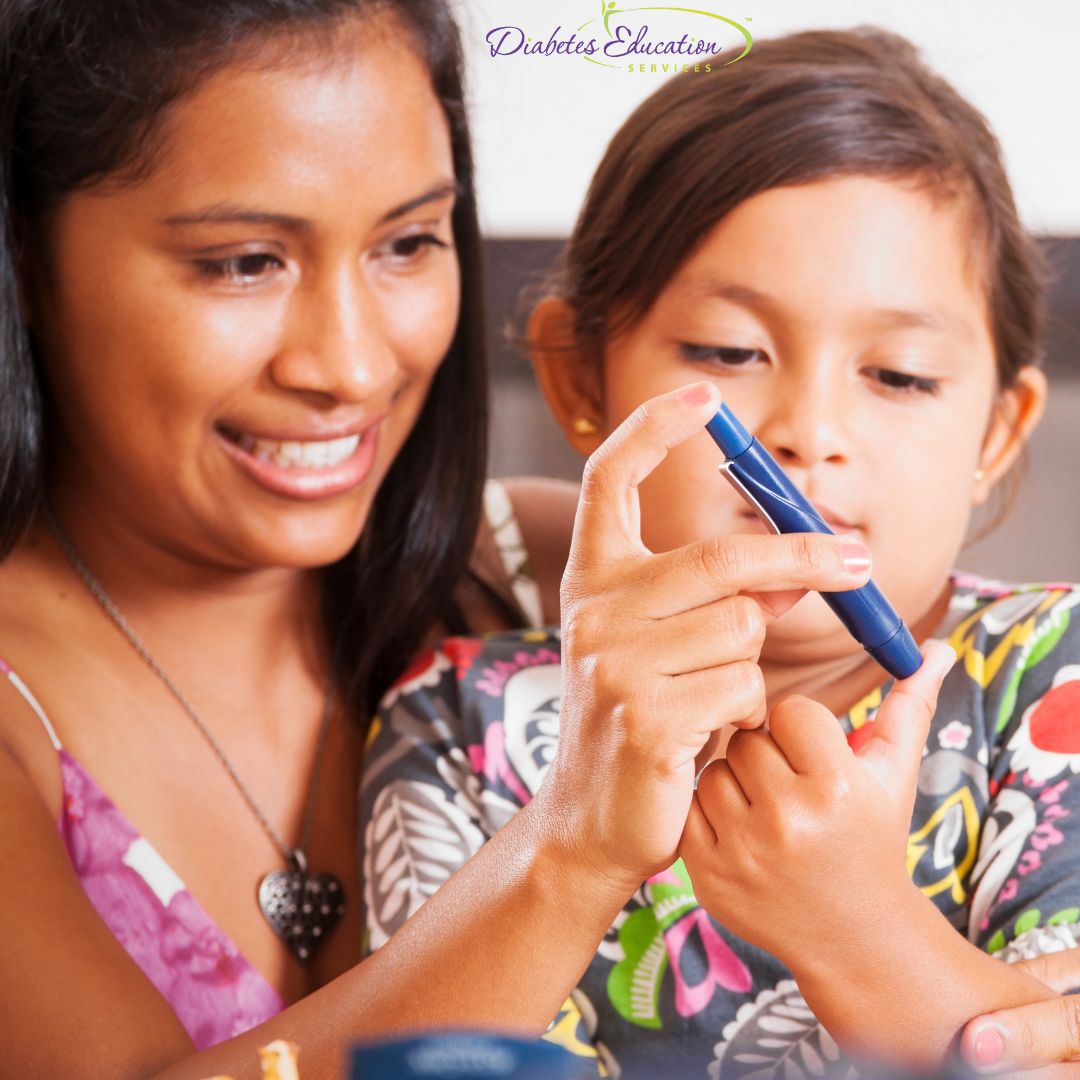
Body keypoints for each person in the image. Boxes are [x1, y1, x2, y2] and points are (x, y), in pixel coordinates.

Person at [0, 3, 881, 1076]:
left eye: (409, 243)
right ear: (26, 256)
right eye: (243, 263)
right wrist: (569, 852)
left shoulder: (558, 579)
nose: (352, 365)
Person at [360, 27, 1080, 1078]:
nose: (808, 432)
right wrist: (576, 832)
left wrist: (854, 923)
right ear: (581, 382)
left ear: (997, 433)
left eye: (901, 375)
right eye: (731, 353)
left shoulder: (1054, 683)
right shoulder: (458, 724)